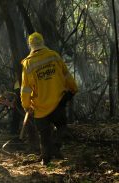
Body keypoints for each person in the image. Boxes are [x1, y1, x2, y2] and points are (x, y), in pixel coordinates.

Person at [20, 32, 78, 165]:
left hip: (40, 106)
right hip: (58, 102)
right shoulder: (53, 56)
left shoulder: (28, 63)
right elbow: (66, 75)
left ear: (30, 45)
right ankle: (55, 149)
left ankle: (46, 158)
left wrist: (26, 104)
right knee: (62, 126)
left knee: (44, 134)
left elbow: (26, 88)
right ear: (42, 42)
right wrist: (73, 88)